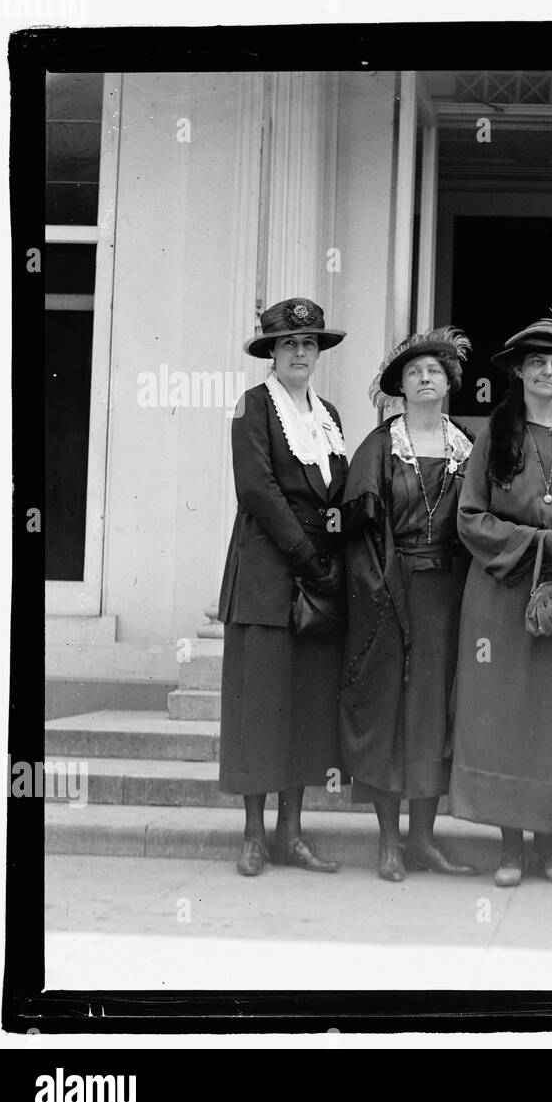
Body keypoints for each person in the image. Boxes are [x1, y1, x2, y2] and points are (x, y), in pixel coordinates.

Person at [449, 311, 552, 887]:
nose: (548, 370)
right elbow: (470, 515)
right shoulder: (497, 431)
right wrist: (535, 538)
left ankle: (549, 842)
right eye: (537, 361)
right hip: (502, 590)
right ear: (518, 370)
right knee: (504, 716)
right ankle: (511, 847)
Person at [339, 327, 480, 882]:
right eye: (415, 372)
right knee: (389, 713)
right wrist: (377, 594)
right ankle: (389, 843)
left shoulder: (465, 446)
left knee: (433, 713)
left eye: (435, 372)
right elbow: (357, 533)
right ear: (400, 385)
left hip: (446, 593)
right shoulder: (379, 447)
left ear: (449, 384)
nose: (426, 379)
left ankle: (423, 840)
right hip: (387, 592)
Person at [218, 298, 350, 877]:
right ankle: (252, 835)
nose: (300, 352)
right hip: (269, 578)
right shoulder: (252, 407)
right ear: (271, 351)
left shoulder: (331, 416)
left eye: (310, 343)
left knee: (306, 706)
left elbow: (337, 499)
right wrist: (307, 559)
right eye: (290, 343)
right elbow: (259, 491)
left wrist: (339, 557)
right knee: (262, 706)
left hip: (319, 583)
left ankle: (290, 833)